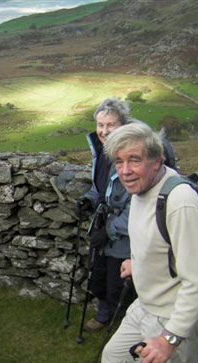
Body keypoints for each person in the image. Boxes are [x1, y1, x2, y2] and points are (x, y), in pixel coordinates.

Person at [66, 122, 198, 363]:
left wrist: (170, 337)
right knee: (115, 359)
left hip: (175, 314)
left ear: (156, 160)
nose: (125, 170)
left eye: (134, 159)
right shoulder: (140, 189)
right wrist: (138, 260)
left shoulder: (180, 202)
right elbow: (152, 235)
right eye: (118, 162)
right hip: (146, 305)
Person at [75, 98, 135, 332]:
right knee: (98, 276)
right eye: (100, 125)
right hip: (103, 228)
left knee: (118, 285)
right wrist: (87, 200)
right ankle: (103, 317)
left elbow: (137, 208)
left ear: (124, 125)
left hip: (125, 238)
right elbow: (100, 190)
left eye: (111, 125)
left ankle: (124, 329)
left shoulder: (131, 156)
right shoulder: (103, 153)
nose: (104, 131)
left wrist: (108, 231)